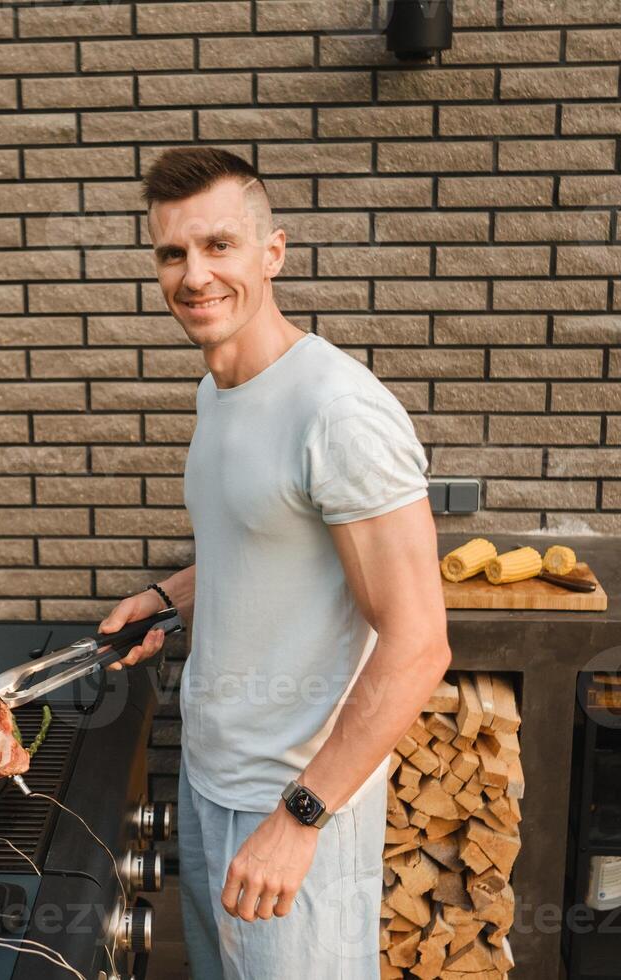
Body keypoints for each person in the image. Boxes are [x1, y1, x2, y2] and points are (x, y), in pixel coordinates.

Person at [97, 147, 454, 979]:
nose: (195, 276)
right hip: (210, 775)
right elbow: (265, 544)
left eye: (219, 246)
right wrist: (170, 596)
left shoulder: (338, 411)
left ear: (274, 252)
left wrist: (299, 820)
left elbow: (418, 642)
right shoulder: (217, 391)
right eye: (173, 253)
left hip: (297, 804)